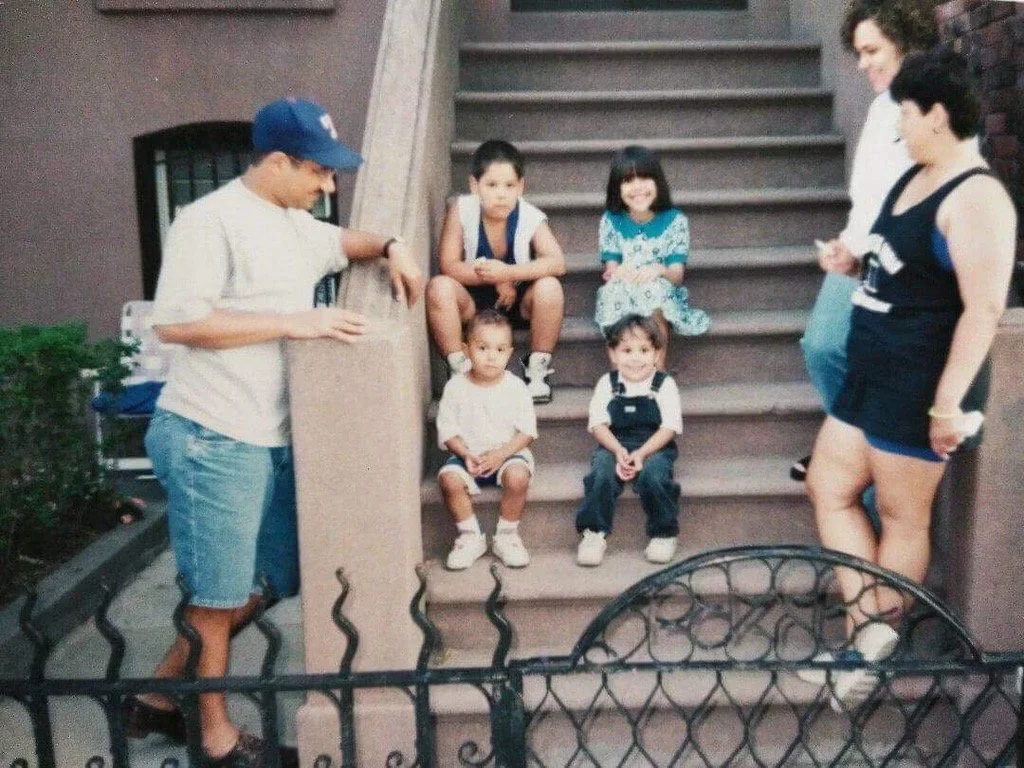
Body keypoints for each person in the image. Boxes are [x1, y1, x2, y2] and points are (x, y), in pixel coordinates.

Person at [128, 97, 424, 767]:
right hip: (211, 434)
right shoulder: (208, 222)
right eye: (320, 172)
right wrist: (298, 322)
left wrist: (393, 247)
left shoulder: (296, 224)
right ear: (279, 161)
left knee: (276, 575)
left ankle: (156, 694)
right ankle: (215, 738)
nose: (329, 186)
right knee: (218, 593)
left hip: (269, 440)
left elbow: (352, 242)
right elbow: (177, 323)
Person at [806, 49, 1017, 709]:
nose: (897, 125)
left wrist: (948, 403)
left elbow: (982, 309)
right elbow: (896, 264)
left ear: (936, 112)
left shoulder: (978, 195)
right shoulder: (914, 175)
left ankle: (866, 645)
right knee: (829, 485)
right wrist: (848, 264)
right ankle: (869, 635)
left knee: (902, 516)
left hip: (917, 383)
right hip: (869, 369)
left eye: (904, 111)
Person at [794, 0, 939, 483]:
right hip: (861, 255)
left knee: (862, 356)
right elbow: (869, 198)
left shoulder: (938, 107)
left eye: (872, 49)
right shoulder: (880, 108)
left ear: (905, 41)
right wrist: (847, 245)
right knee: (822, 345)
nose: (862, 63)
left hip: (906, 265)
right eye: (857, 52)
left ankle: (863, 460)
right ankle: (857, 443)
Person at [426, 139, 566, 404]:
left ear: (520, 187)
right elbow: (449, 264)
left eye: (509, 185)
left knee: (550, 287)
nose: (501, 194)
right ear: (474, 185)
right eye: (491, 185)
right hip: (474, 305)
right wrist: (490, 274)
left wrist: (509, 274)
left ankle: (537, 368)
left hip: (518, 304)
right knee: (439, 287)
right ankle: (460, 369)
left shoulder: (529, 215)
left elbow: (557, 262)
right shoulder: (462, 211)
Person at [575, 314, 683, 567]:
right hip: (615, 441)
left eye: (644, 350)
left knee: (654, 476)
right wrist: (617, 449)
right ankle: (593, 533)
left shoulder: (664, 384)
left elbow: (669, 427)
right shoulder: (608, 383)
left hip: (654, 444)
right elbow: (598, 424)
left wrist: (642, 454)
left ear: (657, 354)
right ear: (613, 354)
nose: (636, 358)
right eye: (627, 350)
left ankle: (663, 532)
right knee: (601, 473)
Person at [435, 310, 538, 570]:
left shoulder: (515, 387)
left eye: (500, 349)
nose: (492, 356)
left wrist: (501, 454)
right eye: (482, 348)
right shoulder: (456, 387)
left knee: (517, 476)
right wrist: (466, 454)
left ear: (510, 353)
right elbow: (447, 431)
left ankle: (507, 535)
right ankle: (470, 536)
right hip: (467, 455)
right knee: (449, 480)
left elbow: (527, 432)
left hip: (507, 453)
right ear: (466, 349)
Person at [593, 145, 709, 369]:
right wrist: (618, 272)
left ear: (658, 182)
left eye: (644, 178)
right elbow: (610, 268)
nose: (637, 187)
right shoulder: (611, 219)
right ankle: (623, 373)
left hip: (660, 286)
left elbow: (676, 275)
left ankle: (657, 371)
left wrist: (659, 270)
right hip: (627, 284)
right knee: (613, 291)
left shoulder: (675, 221)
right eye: (628, 181)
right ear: (617, 188)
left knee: (655, 291)